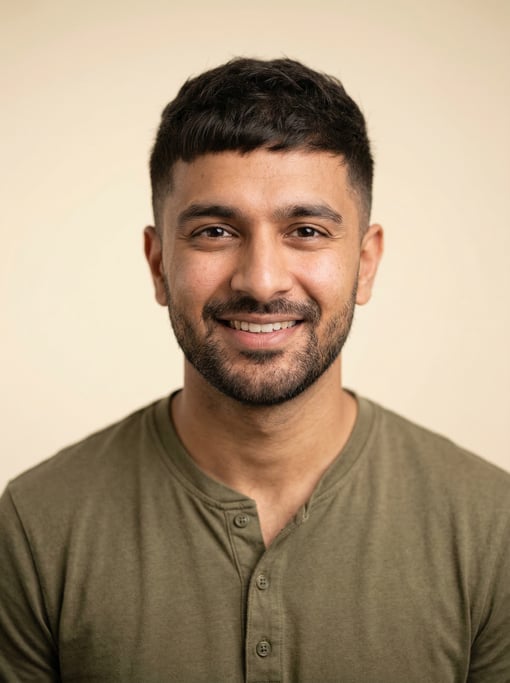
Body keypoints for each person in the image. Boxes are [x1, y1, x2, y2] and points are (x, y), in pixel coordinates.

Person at [0, 57, 508, 683]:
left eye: (306, 230)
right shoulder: (35, 526)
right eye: (215, 231)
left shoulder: (493, 528)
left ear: (366, 263)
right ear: (159, 265)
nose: (262, 280)